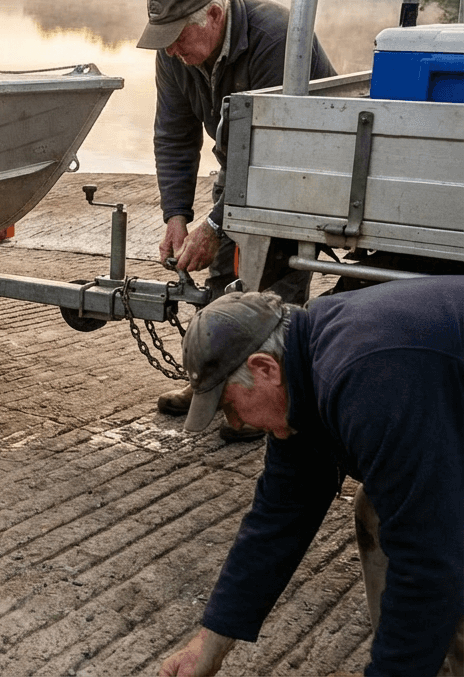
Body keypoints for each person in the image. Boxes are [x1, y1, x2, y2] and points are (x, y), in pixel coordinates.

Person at [158, 278, 464, 677]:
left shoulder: (366, 379)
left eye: (230, 405)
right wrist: (209, 644)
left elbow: (427, 557)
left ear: (264, 368)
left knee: (427, 539)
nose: (235, 422)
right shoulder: (302, 370)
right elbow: (278, 517)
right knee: (378, 508)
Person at [136, 0, 337, 439]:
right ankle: (215, 380)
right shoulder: (174, 53)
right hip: (243, 161)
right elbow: (174, 134)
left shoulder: (277, 38)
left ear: (213, 15)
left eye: (178, 36)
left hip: (302, 163)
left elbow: (277, 149)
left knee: (274, 277)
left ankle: (270, 396)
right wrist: (177, 215)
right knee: (224, 277)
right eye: (164, 39)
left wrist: (214, 225)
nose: (172, 49)